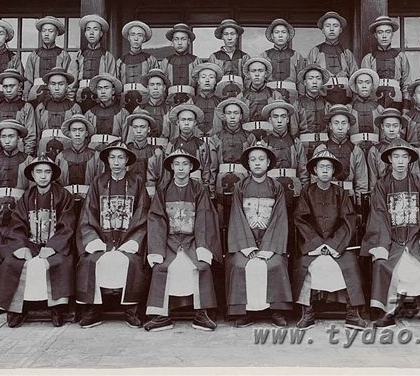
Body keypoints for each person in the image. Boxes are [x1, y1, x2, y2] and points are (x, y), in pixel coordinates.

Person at [360, 138, 420, 328]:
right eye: (396, 156)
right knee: (382, 264)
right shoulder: (381, 186)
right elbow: (378, 216)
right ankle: (387, 311)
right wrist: (382, 244)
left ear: (409, 160)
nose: (400, 161)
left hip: (415, 239)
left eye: (404, 157)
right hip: (391, 240)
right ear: (390, 159)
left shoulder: (419, 184)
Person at [0, 154, 77, 328]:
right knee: (12, 262)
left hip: (55, 245)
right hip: (31, 244)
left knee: (60, 262)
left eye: (47, 172)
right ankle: (18, 308)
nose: (43, 176)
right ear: (32, 174)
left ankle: (56, 308)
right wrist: (21, 246)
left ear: (53, 174)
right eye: (39, 172)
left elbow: (67, 225)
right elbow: (17, 225)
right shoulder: (26, 197)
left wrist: (53, 246)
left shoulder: (63, 195)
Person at [144, 149, 222, 332]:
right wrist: (157, 248)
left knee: (201, 266)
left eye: (185, 164)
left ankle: (202, 313)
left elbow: (204, 218)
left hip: (193, 240)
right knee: (161, 267)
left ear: (191, 167)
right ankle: (161, 315)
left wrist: (202, 246)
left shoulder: (199, 189)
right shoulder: (163, 190)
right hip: (169, 241)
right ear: (171, 166)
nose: (181, 168)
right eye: (177, 164)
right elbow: (156, 219)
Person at [75, 142, 150, 328]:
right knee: (91, 261)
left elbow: (142, 214)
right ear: (107, 160)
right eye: (112, 157)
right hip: (102, 239)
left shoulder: (137, 183)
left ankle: (131, 309)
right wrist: (95, 240)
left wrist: (132, 241)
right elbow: (88, 214)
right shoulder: (98, 182)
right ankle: (94, 309)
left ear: (127, 161)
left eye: (120, 158)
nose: (116, 162)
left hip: (128, 239)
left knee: (132, 262)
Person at [293, 150, 367, 330]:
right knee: (304, 265)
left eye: (328, 167)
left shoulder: (340, 193)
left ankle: (353, 312)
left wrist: (333, 244)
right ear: (315, 170)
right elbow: (300, 219)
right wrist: (317, 244)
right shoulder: (307, 192)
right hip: (312, 245)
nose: (325, 170)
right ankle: (307, 312)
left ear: (333, 171)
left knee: (350, 264)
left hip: (338, 245)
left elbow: (348, 221)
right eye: (321, 167)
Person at [225, 141, 293, 327]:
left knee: (276, 264)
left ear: (268, 163)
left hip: (269, 241)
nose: (257, 163)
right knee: (239, 264)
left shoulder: (276, 187)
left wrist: (269, 247)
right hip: (246, 242)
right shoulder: (240, 187)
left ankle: (276, 310)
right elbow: (237, 217)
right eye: (253, 159)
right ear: (248, 163)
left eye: (261, 159)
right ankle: (245, 311)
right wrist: (247, 246)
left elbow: (279, 218)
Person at [0, 119, 33, 310]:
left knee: (18, 253)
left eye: (11, 136)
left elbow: (32, 191)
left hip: (20, 215)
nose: (7, 140)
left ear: (19, 138)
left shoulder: (28, 161)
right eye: (3, 137)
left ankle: (18, 300)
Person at [208, 98, 256, 230]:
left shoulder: (249, 137)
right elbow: (213, 166)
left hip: (244, 180)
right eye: (229, 113)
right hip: (221, 181)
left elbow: (253, 165)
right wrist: (212, 190)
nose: (232, 116)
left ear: (241, 116)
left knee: (243, 217)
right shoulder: (216, 138)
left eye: (236, 113)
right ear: (224, 116)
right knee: (222, 218)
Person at [313, 105, 369, 211]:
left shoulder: (356, 151)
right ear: (330, 126)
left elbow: (361, 182)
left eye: (343, 123)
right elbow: (315, 180)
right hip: (326, 198)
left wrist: (359, 205)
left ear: (348, 126)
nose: (340, 127)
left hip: (349, 198)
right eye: (336, 123)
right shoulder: (321, 149)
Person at [261, 98, 309, 214]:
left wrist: (303, 192)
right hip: (270, 190)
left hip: (293, 191)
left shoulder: (296, 143)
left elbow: (303, 170)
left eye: (283, 117)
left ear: (287, 119)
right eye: (275, 117)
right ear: (270, 120)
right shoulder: (264, 143)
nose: (279, 120)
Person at [368, 108, 420, 188]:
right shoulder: (375, 150)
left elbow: (415, 177)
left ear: (400, 127)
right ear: (382, 126)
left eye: (395, 125)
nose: (391, 129)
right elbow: (373, 180)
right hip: (382, 191)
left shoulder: (409, 149)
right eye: (387, 126)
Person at [361, 16, 411, 111]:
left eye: (388, 32)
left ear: (392, 34)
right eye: (380, 32)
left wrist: (406, 106)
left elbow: (406, 83)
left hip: (396, 100)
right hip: (374, 102)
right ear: (375, 35)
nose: (384, 36)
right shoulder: (369, 58)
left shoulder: (400, 56)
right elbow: (364, 84)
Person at [68, 14, 117, 112]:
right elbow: (71, 80)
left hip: (99, 96)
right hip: (80, 96)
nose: (91, 33)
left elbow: (112, 80)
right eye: (88, 29)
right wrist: (71, 98)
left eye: (95, 29)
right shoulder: (79, 55)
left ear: (101, 33)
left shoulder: (107, 56)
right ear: (85, 33)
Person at [307, 11, 358, 105]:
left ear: (340, 29)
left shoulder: (346, 53)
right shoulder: (315, 51)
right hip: (322, 98)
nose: (331, 29)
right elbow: (308, 77)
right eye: (327, 26)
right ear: (323, 30)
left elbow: (355, 78)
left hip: (346, 98)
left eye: (335, 26)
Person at [0, 68, 36, 156]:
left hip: (20, 152)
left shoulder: (26, 107)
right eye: (5, 86)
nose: (8, 90)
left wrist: (27, 154)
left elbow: (31, 135)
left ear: (19, 86)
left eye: (12, 86)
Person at [23, 16, 72, 106]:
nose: (46, 34)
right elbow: (28, 79)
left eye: (50, 31)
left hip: (57, 95)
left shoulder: (63, 55)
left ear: (56, 33)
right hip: (36, 94)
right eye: (44, 31)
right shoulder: (33, 55)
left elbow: (68, 79)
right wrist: (26, 96)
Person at [164, 104, 212, 194]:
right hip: (176, 185)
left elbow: (206, 169)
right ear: (178, 123)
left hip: (197, 186)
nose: (186, 123)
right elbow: (167, 171)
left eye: (190, 120)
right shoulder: (172, 144)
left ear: (195, 123)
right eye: (183, 120)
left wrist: (205, 188)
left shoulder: (201, 145)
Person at [55, 114, 98, 214]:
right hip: (65, 202)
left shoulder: (95, 156)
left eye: (81, 130)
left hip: (90, 202)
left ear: (86, 133)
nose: (77, 134)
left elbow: (99, 181)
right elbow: (57, 183)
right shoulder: (61, 157)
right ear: (69, 133)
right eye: (74, 130)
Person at [35, 67, 81, 160]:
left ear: (67, 86)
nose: (57, 88)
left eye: (61, 84)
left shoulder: (74, 107)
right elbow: (37, 134)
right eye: (53, 84)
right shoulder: (41, 107)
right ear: (48, 86)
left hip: (67, 149)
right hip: (44, 147)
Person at [125, 108, 164, 198]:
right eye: (135, 127)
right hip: (128, 195)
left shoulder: (157, 153)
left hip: (150, 196)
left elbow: (162, 180)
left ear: (148, 129)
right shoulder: (126, 151)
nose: (138, 131)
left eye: (142, 127)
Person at [84, 73, 129, 149]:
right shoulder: (89, 114)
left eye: (106, 88)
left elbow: (126, 139)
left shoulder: (123, 113)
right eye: (99, 88)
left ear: (113, 91)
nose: (103, 92)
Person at [296, 63, 331, 159]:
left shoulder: (327, 104)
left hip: (324, 145)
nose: (314, 82)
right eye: (310, 78)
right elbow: (294, 130)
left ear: (322, 82)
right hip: (304, 147)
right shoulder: (297, 104)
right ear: (304, 82)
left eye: (318, 78)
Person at [256, 18, 304, 83]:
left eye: (284, 32)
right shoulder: (264, 55)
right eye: (277, 32)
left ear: (288, 36)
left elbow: (301, 80)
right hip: (269, 89)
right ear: (272, 36)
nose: (280, 35)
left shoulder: (296, 55)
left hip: (291, 89)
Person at [348, 68, 383, 157]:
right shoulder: (349, 109)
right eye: (360, 83)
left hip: (376, 151)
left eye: (367, 83)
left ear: (372, 86)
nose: (364, 86)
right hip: (354, 151)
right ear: (355, 86)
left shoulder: (379, 109)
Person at [117, 20, 158, 85]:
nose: (136, 39)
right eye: (132, 35)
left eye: (140, 35)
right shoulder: (120, 61)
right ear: (128, 38)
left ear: (144, 39)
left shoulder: (151, 60)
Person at [192, 62, 224, 137]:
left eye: (211, 77)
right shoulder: (191, 102)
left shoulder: (221, 103)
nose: (207, 80)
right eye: (203, 77)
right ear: (198, 81)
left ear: (215, 81)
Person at [140, 69, 171, 141]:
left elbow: (174, 137)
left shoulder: (170, 110)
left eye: (158, 84)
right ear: (148, 88)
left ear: (164, 88)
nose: (155, 88)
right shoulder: (140, 109)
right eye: (152, 85)